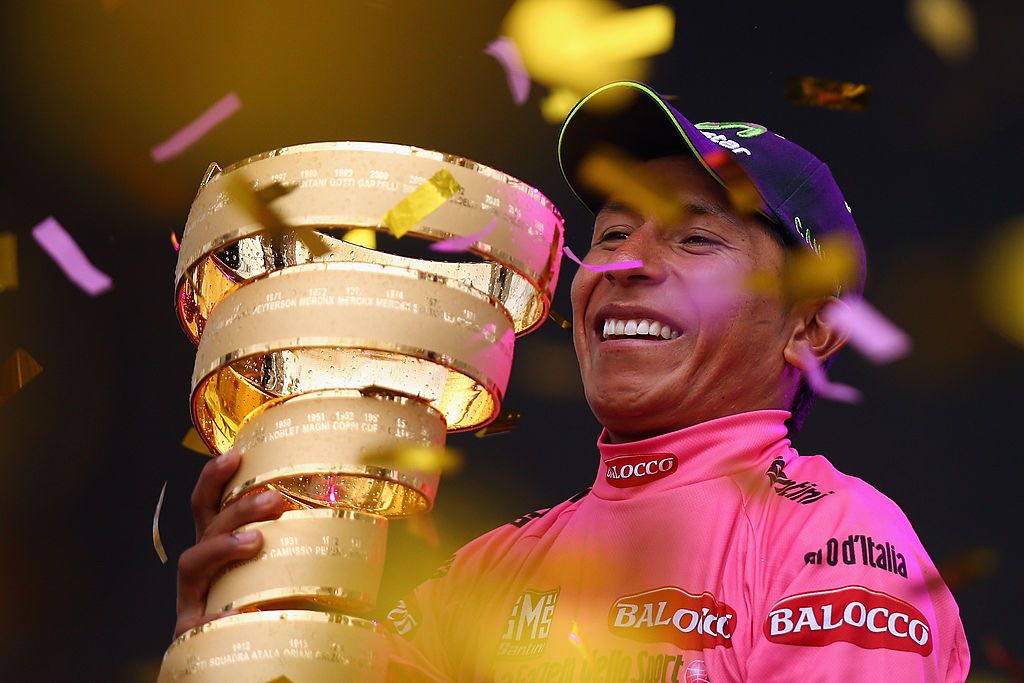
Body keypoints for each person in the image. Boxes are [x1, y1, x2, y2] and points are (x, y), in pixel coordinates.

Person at [175, 81, 970, 682]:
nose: (626, 263)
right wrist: (233, 631)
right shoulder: (485, 574)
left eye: (695, 239)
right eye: (614, 233)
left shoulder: (840, 545)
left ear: (809, 328)